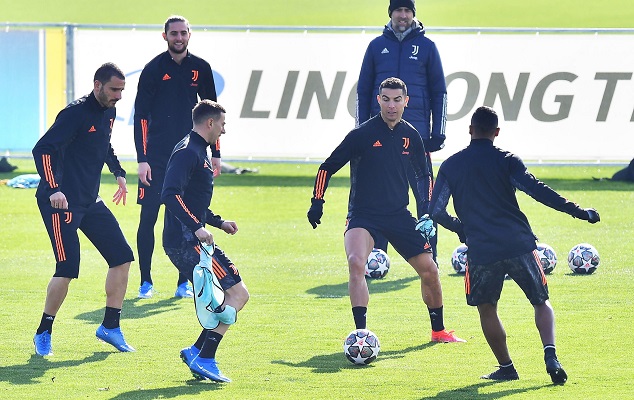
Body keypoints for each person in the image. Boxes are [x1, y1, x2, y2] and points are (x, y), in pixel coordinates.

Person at [429, 106, 601, 383]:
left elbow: (435, 210)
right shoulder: (507, 160)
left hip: (481, 251)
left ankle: (506, 367)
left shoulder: (451, 165)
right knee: (541, 302)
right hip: (519, 244)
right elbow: (538, 191)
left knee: (487, 307)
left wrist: (462, 229)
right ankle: (550, 354)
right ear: (496, 133)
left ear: (470, 130)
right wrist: (579, 211)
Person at [307, 77, 463, 344]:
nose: (392, 105)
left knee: (431, 270)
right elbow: (327, 166)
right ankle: (361, 334)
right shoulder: (362, 135)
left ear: (406, 101)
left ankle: (439, 331)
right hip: (363, 216)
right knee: (356, 262)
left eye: (397, 100)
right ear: (379, 100)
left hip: (398, 215)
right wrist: (317, 200)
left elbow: (424, 175)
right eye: (386, 99)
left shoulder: (411, 136)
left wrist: (425, 211)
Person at [32, 62, 135, 356]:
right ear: (97, 85)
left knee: (122, 257)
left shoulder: (109, 112)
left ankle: (110, 327)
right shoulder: (75, 113)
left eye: (122, 90)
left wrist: (118, 172)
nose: (118, 95)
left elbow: (104, 145)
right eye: (114, 89)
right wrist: (54, 189)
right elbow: (43, 149)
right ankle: (43, 332)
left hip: (89, 200)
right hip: (60, 203)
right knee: (67, 268)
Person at [134, 15, 221, 299]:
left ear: (189, 35)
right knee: (149, 218)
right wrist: (142, 158)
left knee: (190, 215)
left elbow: (213, 115)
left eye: (183, 33)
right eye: (174, 34)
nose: (179, 38)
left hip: (190, 157)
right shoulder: (153, 70)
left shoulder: (201, 68)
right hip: (157, 157)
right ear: (165, 36)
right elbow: (141, 117)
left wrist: (216, 153)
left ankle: (183, 281)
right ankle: (145, 281)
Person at [161, 99, 249, 382]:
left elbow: (191, 200)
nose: (224, 130)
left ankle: (196, 350)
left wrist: (218, 222)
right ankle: (206, 358)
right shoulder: (189, 151)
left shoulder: (197, 150)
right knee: (238, 295)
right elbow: (170, 194)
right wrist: (197, 228)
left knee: (227, 296)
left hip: (189, 238)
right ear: (210, 123)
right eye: (222, 124)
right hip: (187, 241)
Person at [356, 0, 447, 260]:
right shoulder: (376, 46)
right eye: (399, 10)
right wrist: (362, 131)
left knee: (424, 197)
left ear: (413, 14)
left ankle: (429, 253)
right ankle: (377, 256)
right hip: (379, 137)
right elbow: (363, 92)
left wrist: (437, 131)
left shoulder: (428, 47)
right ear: (391, 14)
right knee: (378, 196)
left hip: (415, 135)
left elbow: (439, 91)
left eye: (408, 11)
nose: (403, 15)